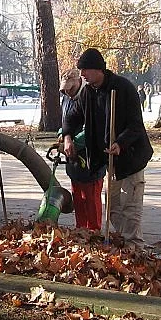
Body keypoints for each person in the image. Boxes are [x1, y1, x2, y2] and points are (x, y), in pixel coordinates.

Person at [62, 48, 153, 245]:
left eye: (85, 70)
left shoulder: (123, 88)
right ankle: (124, 241)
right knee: (113, 207)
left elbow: (136, 125)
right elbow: (72, 117)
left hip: (131, 158)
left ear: (98, 69)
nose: (82, 75)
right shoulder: (88, 92)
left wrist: (121, 143)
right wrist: (67, 137)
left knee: (131, 206)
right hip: (108, 159)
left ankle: (134, 245)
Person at [60, 69, 105, 231]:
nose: (68, 92)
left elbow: (94, 128)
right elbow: (66, 122)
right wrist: (62, 136)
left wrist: (74, 142)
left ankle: (93, 232)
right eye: (65, 90)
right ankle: (80, 230)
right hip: (73, 159)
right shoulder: (66, 99)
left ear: (79, 81)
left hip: (91, 157)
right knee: (78, 198)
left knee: (91, 199)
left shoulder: (91, 97)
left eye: (70, 88)